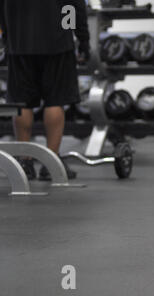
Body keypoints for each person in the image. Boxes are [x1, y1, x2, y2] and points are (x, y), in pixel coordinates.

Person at [0, 0, 90, 180]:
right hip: (56, 42)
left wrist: (8, 35)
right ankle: (51, 163)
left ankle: (24, 163)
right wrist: (80, 38)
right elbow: (72, 6)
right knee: (55, 100)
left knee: (21, 102)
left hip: (20, 42)